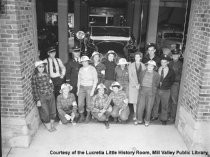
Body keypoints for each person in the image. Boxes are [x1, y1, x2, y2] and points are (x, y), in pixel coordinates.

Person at [32, 60, 56, 132]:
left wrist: (51, 90)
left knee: (53, 111)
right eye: (40, 67)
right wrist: (37, 100)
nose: (42, 68)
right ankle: (49, 127)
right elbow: (34, 89)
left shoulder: (47, 74)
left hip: (50, 95)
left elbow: (51, 83)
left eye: (43, 66)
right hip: (42, 96)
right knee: (45, 112)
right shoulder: (35, 77)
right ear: (36, 68)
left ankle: (52, 125)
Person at [135, 60, 160, 126]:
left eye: (152, 66)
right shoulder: (142, 73)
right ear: (147, 66)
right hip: (142, 91)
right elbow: (139, 80)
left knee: (149, 107)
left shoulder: (157, 75)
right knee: (140, 106)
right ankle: (139, 119)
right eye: (149, 65)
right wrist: (139, 86)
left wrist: (153, 90)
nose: (150, 67)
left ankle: (147, 120)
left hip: (151, 92)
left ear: (154, 67)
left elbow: (157, 84)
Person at [152, 55, 175, 125]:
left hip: (166, 91)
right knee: (156, 103)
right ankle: (155, 116)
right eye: (162, 62)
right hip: (158, 89)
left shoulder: (171, 71)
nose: (163, 64)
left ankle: (164, 118)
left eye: (165, 62)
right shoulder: (157, 69)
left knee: (165, 105)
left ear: (167, 62)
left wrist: (166, 86)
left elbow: (172, 81)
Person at [77, 56, 98, 123]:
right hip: (82, 87)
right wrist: (78, 90)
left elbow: (95, 80)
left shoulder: (92, 69)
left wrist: (93, 90)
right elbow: (79, 80)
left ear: (88, 61)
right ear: (81, 62)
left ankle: (88, 116)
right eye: (83, 61)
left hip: (90, 87)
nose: (84, 63)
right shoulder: (81, 69)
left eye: (85, 61)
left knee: (89, 103)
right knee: (80, 103)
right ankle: (82, 116)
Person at [128, 52, 146, 121]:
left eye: (138, 57)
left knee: (140, 101)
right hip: (133, 86)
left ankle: (139, 114)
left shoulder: (143, 65)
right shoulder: (131, 65)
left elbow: (144, 76)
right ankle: (135, 113)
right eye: (136, 57)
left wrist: (140, 84)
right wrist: (136, 85)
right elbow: (130, 76)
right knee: (135, 101)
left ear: (140, 57)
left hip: (141, 86)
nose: (137, 58)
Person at [168, 49, 183, 122]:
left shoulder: (181, 64)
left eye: (176, 55)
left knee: (174, 100)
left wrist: (172, 79)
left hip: (175, 83)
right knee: (168, 99)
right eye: (173, 55)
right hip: (169, 83)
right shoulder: (169, 63)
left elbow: (180, 75)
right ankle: (167, 114)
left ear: (179, 56)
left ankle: (172, 116)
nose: (175, 56)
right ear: (172, 56)